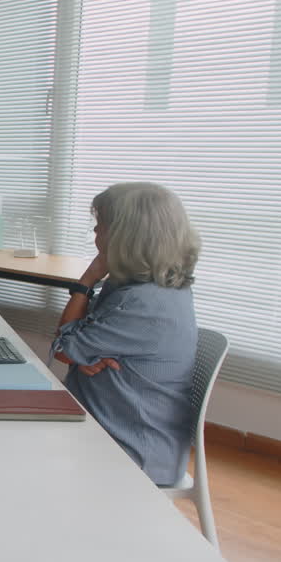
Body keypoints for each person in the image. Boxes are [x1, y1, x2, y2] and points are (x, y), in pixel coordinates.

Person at [51, 182, 202, 485]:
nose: (95, 232)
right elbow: (73, 343)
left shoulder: (145, 303)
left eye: (101, 225)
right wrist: (82, 355)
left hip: (132, 451)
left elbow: (63, 348)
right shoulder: (142, 285)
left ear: (127, 235)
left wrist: (88, 279)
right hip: (108, 425)